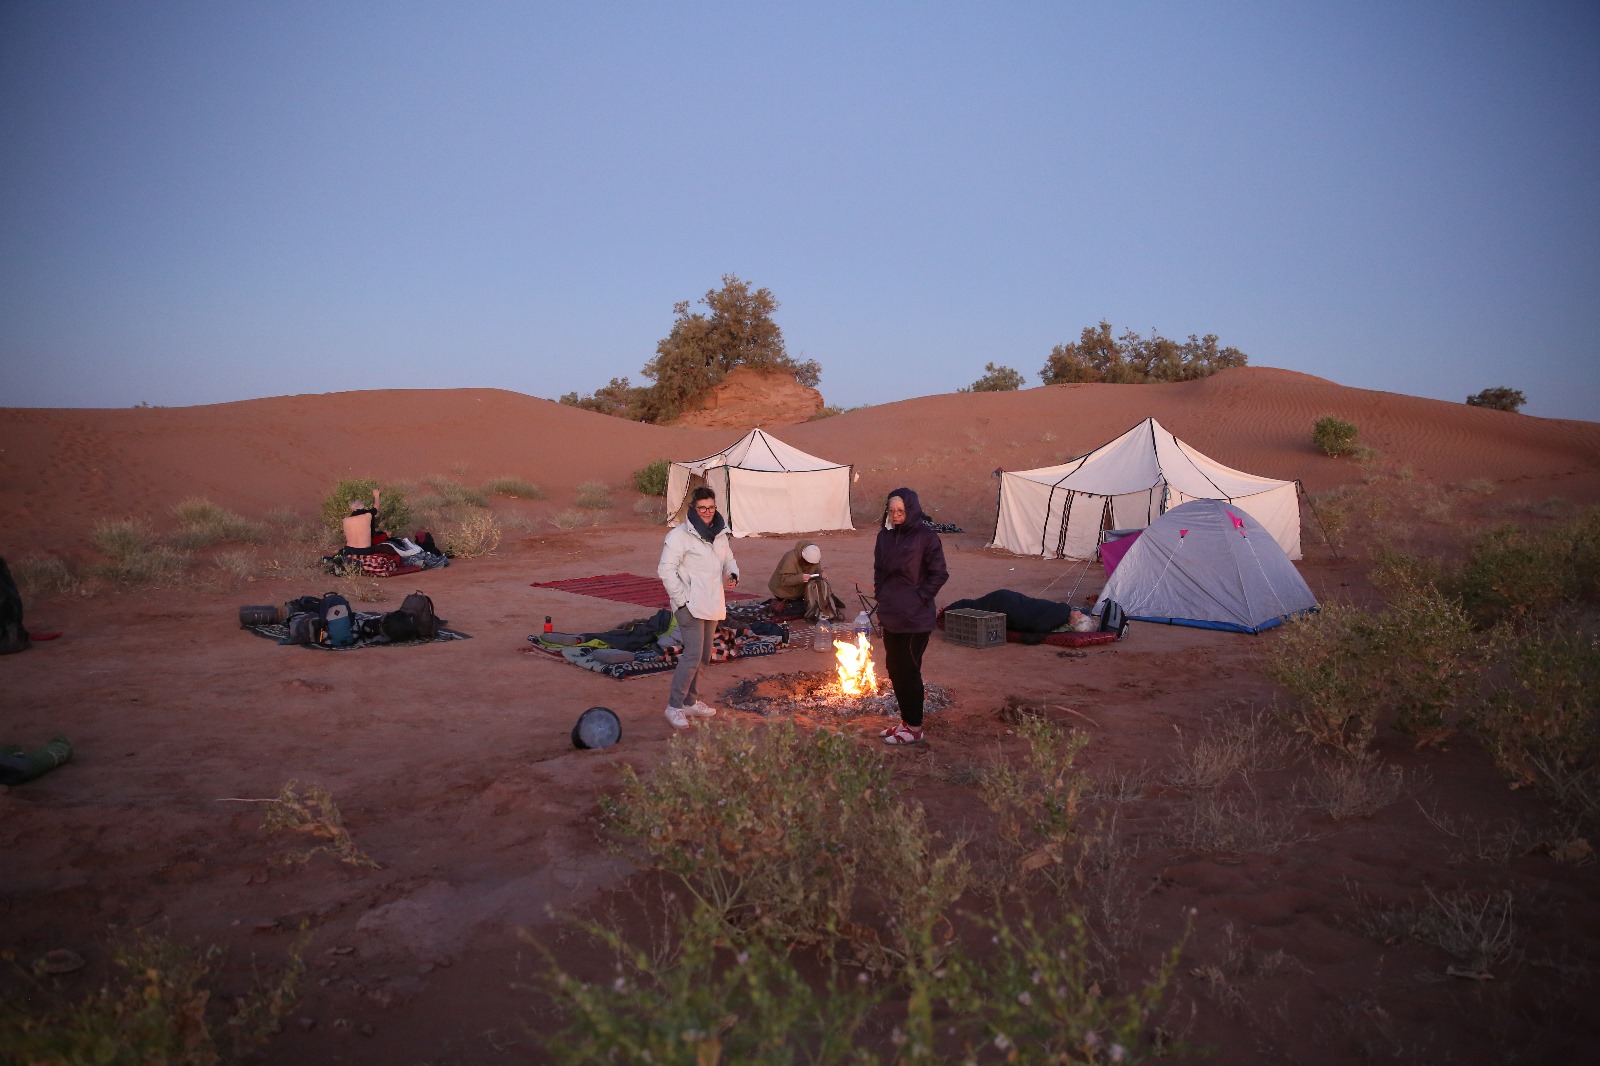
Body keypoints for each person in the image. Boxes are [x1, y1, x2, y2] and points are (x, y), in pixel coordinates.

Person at [657, 486, 741, 729]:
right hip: (689, 605)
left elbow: (728, 559)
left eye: (711, 507)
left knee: (704, 655)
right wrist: (681, 601)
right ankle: (674, 706)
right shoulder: (679, 536)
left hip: (712, 602)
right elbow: (665, 570)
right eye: (702, 508)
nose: (707, 512)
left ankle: (690, 702)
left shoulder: (720, 534)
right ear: (693, 508)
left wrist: (732, 573)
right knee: (693, 655)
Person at [873, 487, 948, 744]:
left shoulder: (926, 537)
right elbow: (879, 571)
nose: (895, 515)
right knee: (894, 669)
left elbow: (939, 573)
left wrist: (919, 598)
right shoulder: (884, 537)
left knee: (909, 670)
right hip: (891, 613)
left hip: (916, 617)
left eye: (901, 511)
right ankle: (905, 722)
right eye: (892, 510)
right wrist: (882, 595)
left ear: (911, 510)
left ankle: (915, 728)